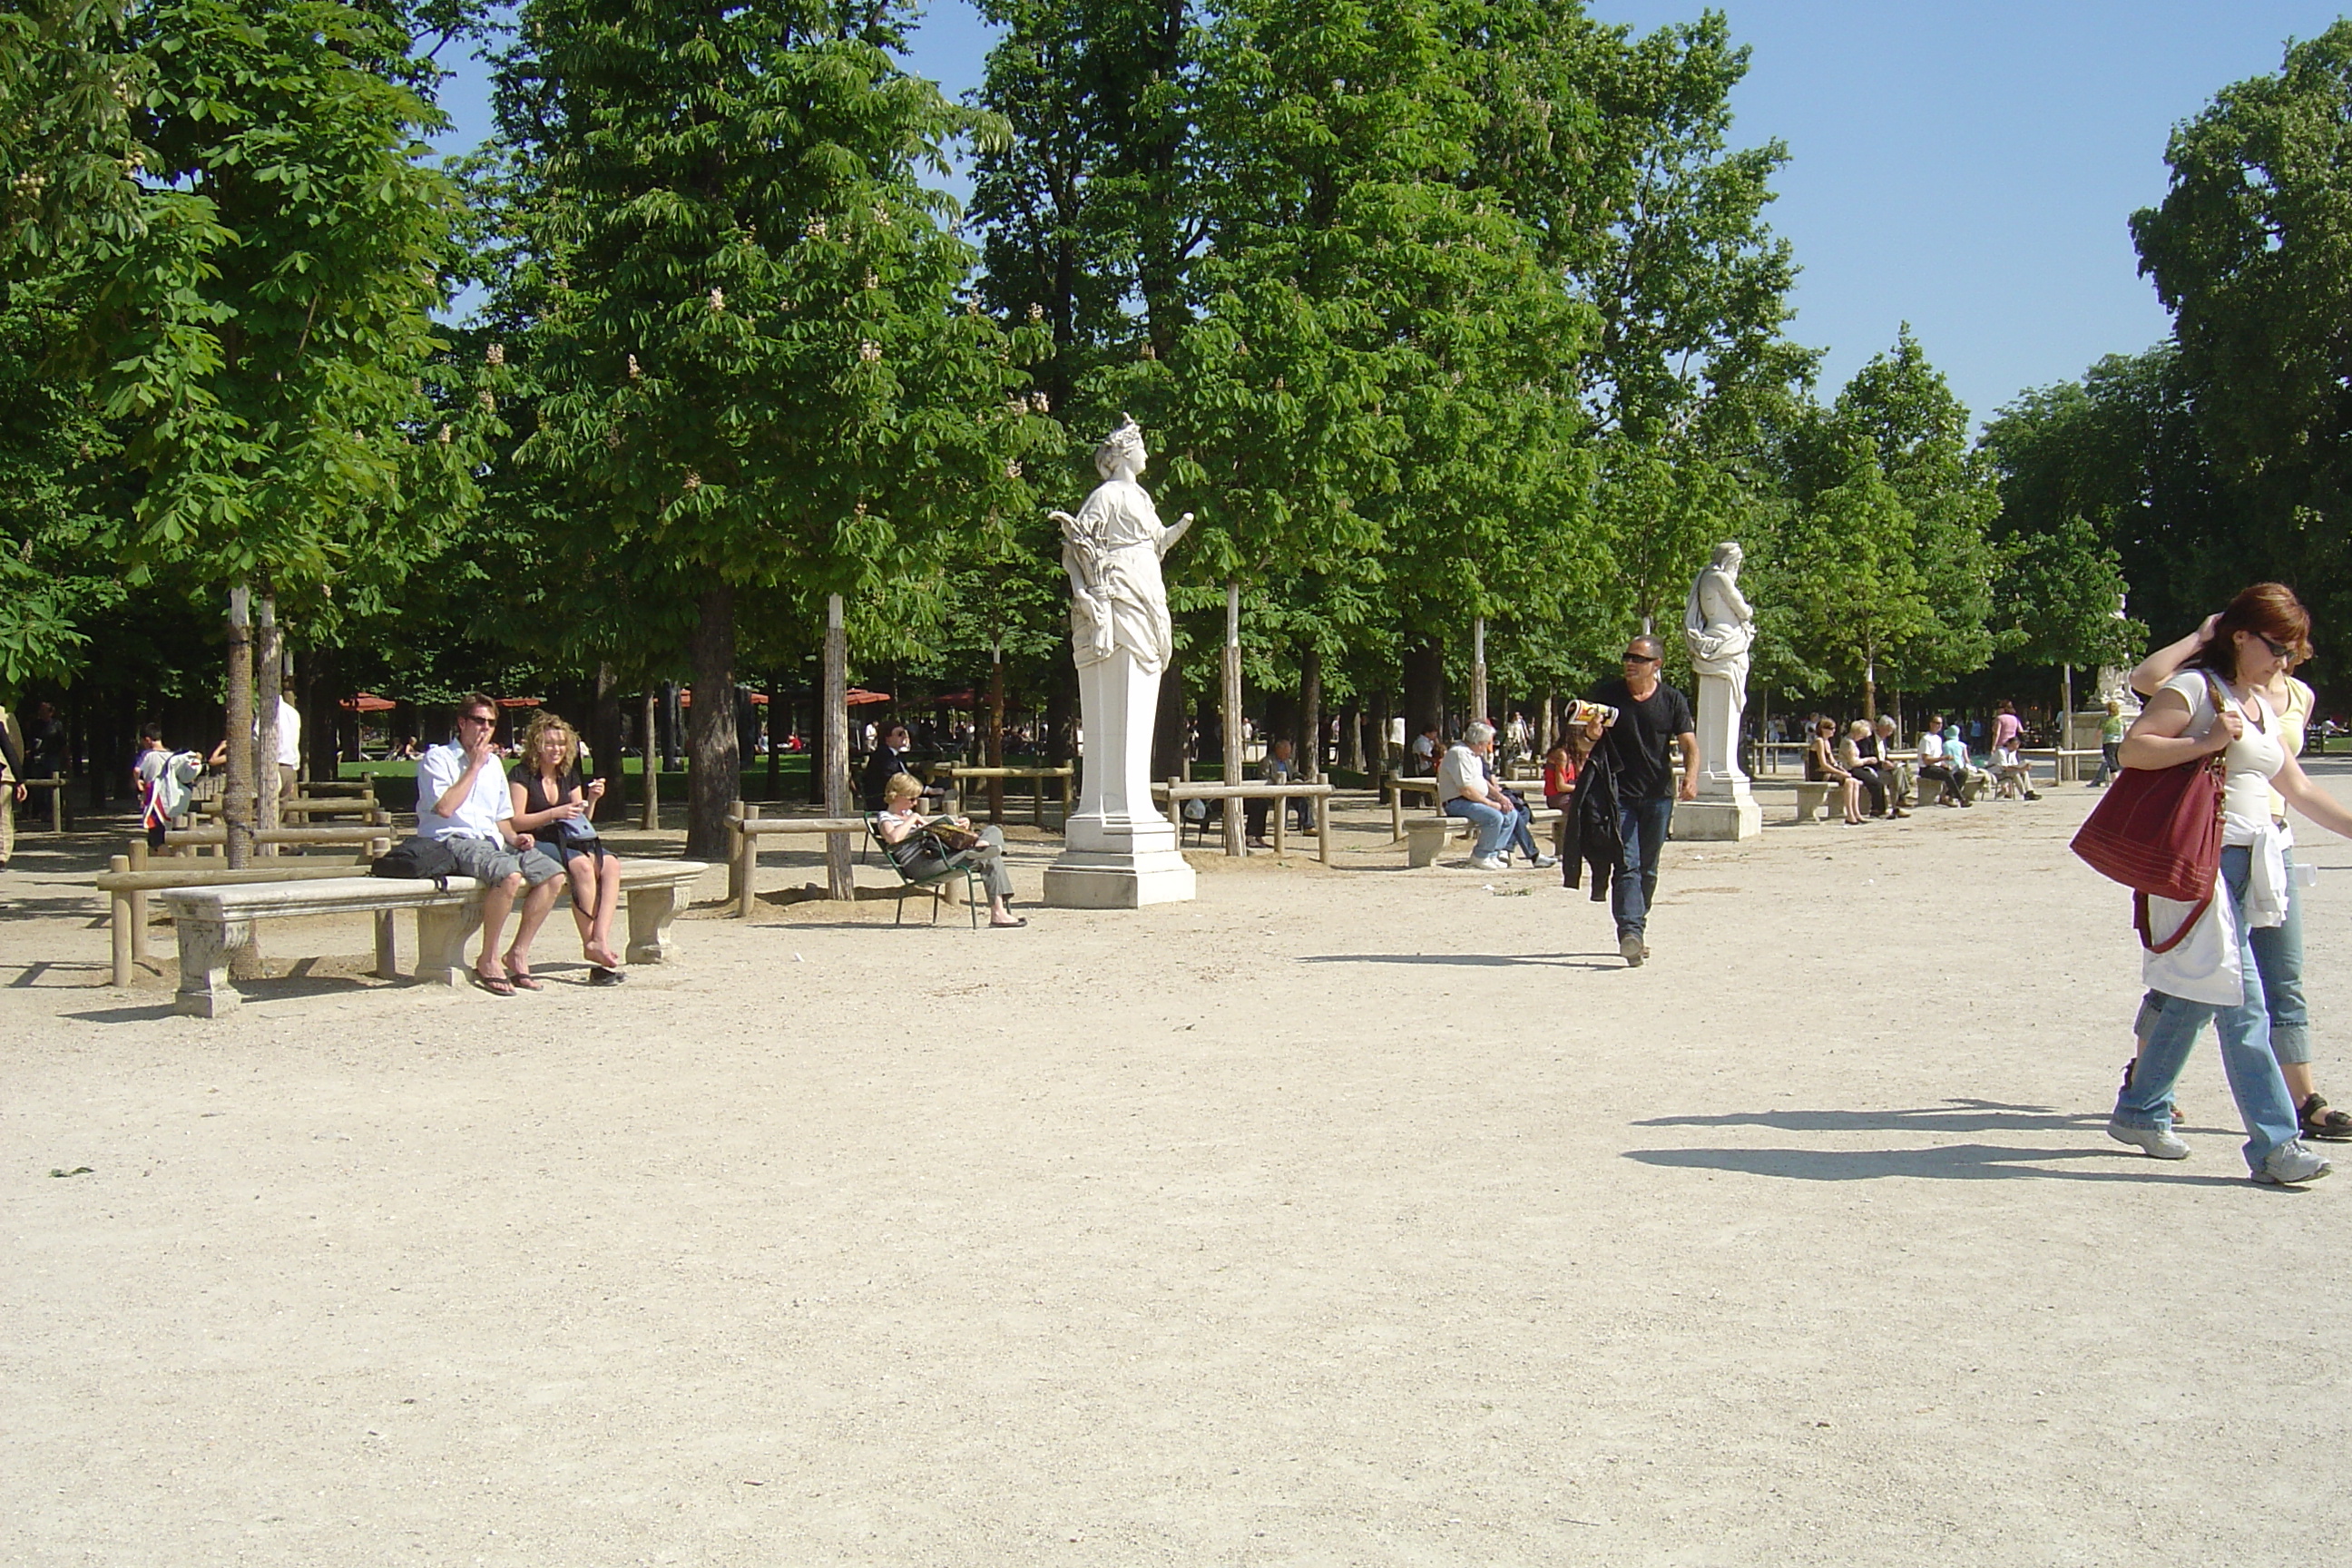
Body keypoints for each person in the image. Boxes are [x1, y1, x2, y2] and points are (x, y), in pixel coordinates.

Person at [2107, 583, 2352, 1185]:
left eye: (2292, 653)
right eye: (2276, 647)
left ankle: (2140, 1108)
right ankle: (2275, 1144)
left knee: (2197, 997)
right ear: (2240, 635)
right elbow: (2134, 750)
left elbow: (2298, 789)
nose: (2284, 662)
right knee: (2243, 1004)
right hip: (2204, 862)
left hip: (2257, 859)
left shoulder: (2260, 703)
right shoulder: (2196, 689)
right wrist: (2209, 741)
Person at [417, 692, 564, 995]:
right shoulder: (438, 759)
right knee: (508, 875)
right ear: (462, 723)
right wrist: (473, 767)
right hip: (453, 839)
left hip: (493, 840)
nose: (485, 728)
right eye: (479, 721)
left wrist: (516, 838)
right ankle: (488, 958)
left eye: (491, 723)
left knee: (553, 874)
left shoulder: (494, 764)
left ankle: (518, 953)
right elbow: (445, 808)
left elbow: (500, 817)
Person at [1584, 635, 1699, 965]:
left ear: (1656, 665)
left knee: (1648, 868)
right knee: (1627, 864)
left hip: (1658, 794)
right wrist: (1591, 732)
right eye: (1627, 657)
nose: (1630, 663)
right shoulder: (1609, 695)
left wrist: (1691, 777)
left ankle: (1638, 929)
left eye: (1638, 658)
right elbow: (1583, 740)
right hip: (1618, 794)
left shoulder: (1672, 700)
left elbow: (1689, 744)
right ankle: (1629, 933)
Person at [508, 711, 624, 984]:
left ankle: (599, 938)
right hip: (535, 839)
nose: (556, 749)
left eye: (561, 744)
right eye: (549, 743)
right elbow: (516, 820)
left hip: (570, 838)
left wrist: (592, 800)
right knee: (583, 867)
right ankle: (591, 945)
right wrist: (555, 813)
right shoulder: (522, 774)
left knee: (611, 865)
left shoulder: (567, 774)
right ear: (536, 744)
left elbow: (581, 820)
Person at [874, 772, 1026, 927]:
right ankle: (998, 913)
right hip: (922, 866)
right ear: (897, 796)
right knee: (990, 857)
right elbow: (893, 838)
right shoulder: (886, 817)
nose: (914, 803)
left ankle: (982, 845)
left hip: (938, 856)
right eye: (911, 799)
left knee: (994, 830)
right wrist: (913, 819)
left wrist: (958, 828)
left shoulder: (909, 814)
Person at [1438, 721, 1552, 871]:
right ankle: (1480, 855)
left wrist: (1500, 798)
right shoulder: (1459, 754)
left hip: (1473, 799)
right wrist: (1490, 804)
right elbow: (1465, 789)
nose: (1487, 747)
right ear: (1479, 743)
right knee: (1494, 817)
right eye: (1487, 743)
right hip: (1457, 802)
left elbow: (1482, 782)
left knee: (1511, 813)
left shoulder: (1474, 755)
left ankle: (1493, 853)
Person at [132, 724, 205, 851]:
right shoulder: (173, 756)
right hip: (172, 798)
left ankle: (158, 860)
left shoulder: (148, 755)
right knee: (171, 831)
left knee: (156, 834)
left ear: (148, 740)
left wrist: (138, 781)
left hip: (155, 799)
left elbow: (137, 770)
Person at [1246, 738, 1312, 848]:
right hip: (1272, 791)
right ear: (1278, 750)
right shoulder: (1267, 761)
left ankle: (1308, 826)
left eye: (1289, 753)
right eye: (1285, 753)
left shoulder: (1288, 761)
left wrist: (1300, 778)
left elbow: (1294, 773)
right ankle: (1282, 827)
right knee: (1282, 800)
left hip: (1287, 789)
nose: (1288, 755)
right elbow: (1263, 778)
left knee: (1302, 799)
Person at [860, 722, 929, 813]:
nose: (904, 737)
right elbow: (897, 781)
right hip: (886, 803)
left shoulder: (895, 755)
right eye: (900, 734)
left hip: (902, 798)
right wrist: (926, 790)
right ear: (887, 738)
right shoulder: (883, 756)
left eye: (905, 733)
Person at [1916, 715, 1971, 807]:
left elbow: (1938, 757)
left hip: (1937, 766)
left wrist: (1943, 763)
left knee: (1962, 773)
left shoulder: (1938, 739)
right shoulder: (1926, 739)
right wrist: (1943, 758)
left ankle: (1947, 796)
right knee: (1946, 774)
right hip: (1926, 769)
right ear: (1931, 724)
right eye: (1937, 723)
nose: (1939, 726)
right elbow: (1926, 760)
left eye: (1941, 724)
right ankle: (1961, 799)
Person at [1838, 720, 1887, 819]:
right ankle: (1877, 809)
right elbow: (1853, 762)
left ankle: (1880, 808)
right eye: (1862, 735)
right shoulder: (1849, 743)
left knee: (1877, 781)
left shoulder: (1852, 741)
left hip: (1856, 768)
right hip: (1850, 769)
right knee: (1875, 783)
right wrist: (1868, 760)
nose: (1863, 738)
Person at [1873, 716, 1915, 814]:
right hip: (1874, 769)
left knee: (1899, 771)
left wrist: (1890, 763)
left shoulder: (1882, 740)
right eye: (1888, 730)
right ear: (1881, 727)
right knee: (1895, 777)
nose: (1889, 734)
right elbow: (1869, 756)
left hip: (1883, 768)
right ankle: (1900, 799)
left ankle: (1899, 801)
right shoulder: (1871, 739)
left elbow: (1884, 756)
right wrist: (1881, 764)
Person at [2087, 699, 2127, 787]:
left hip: (2109, 742)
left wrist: (2093, 744)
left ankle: (2115, 784)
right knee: (2118, 761)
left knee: (2111, 764)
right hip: (2119, 742)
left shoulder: (2104, 720)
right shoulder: (2121, 719)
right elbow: (2125, 731)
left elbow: (2099, 733)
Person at [1989, 733, 2041, 800]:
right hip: (1996, 774)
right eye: (2013, 746)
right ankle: (2024, 794)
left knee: (2024, 773)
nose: (2014, 748)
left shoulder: (2013, 752)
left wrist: (2024, 767)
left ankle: (2029, 791)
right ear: (2008, 744)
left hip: (2005, 773)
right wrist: (2020, 769)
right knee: (2015, 773)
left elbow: (2015, 765)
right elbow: (2005, 767)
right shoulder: (2001, 752)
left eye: (2016, 746)